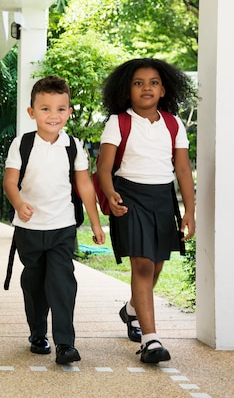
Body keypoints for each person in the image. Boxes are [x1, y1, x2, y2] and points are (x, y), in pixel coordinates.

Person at [97, 58, 195, 363]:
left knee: (157, 264)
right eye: (138, 83)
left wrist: (189, 211)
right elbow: (103, 166)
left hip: (163, 199)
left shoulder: (173, 124)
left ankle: (131, 309)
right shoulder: (119, 122)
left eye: (153, 82)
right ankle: (151, 340)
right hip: (130, 196)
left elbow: (182, 168)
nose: (146, 88)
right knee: (141, 264)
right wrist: (111, 193)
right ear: (128, 91)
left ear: (164, 89)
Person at [3, 75, 106, 365]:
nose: (53, 115)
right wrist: (19, 204)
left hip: (62, 227)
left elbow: (85, 186)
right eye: (45, 108)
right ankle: (38, 333)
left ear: (69, 112)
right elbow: (10, 182)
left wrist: (95, 224)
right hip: (29, 229)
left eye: (61, 109)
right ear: (32, 112)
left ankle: (65, 343)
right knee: (34, 283)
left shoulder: (73, 146)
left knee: (62, 282)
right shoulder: (22, 144)